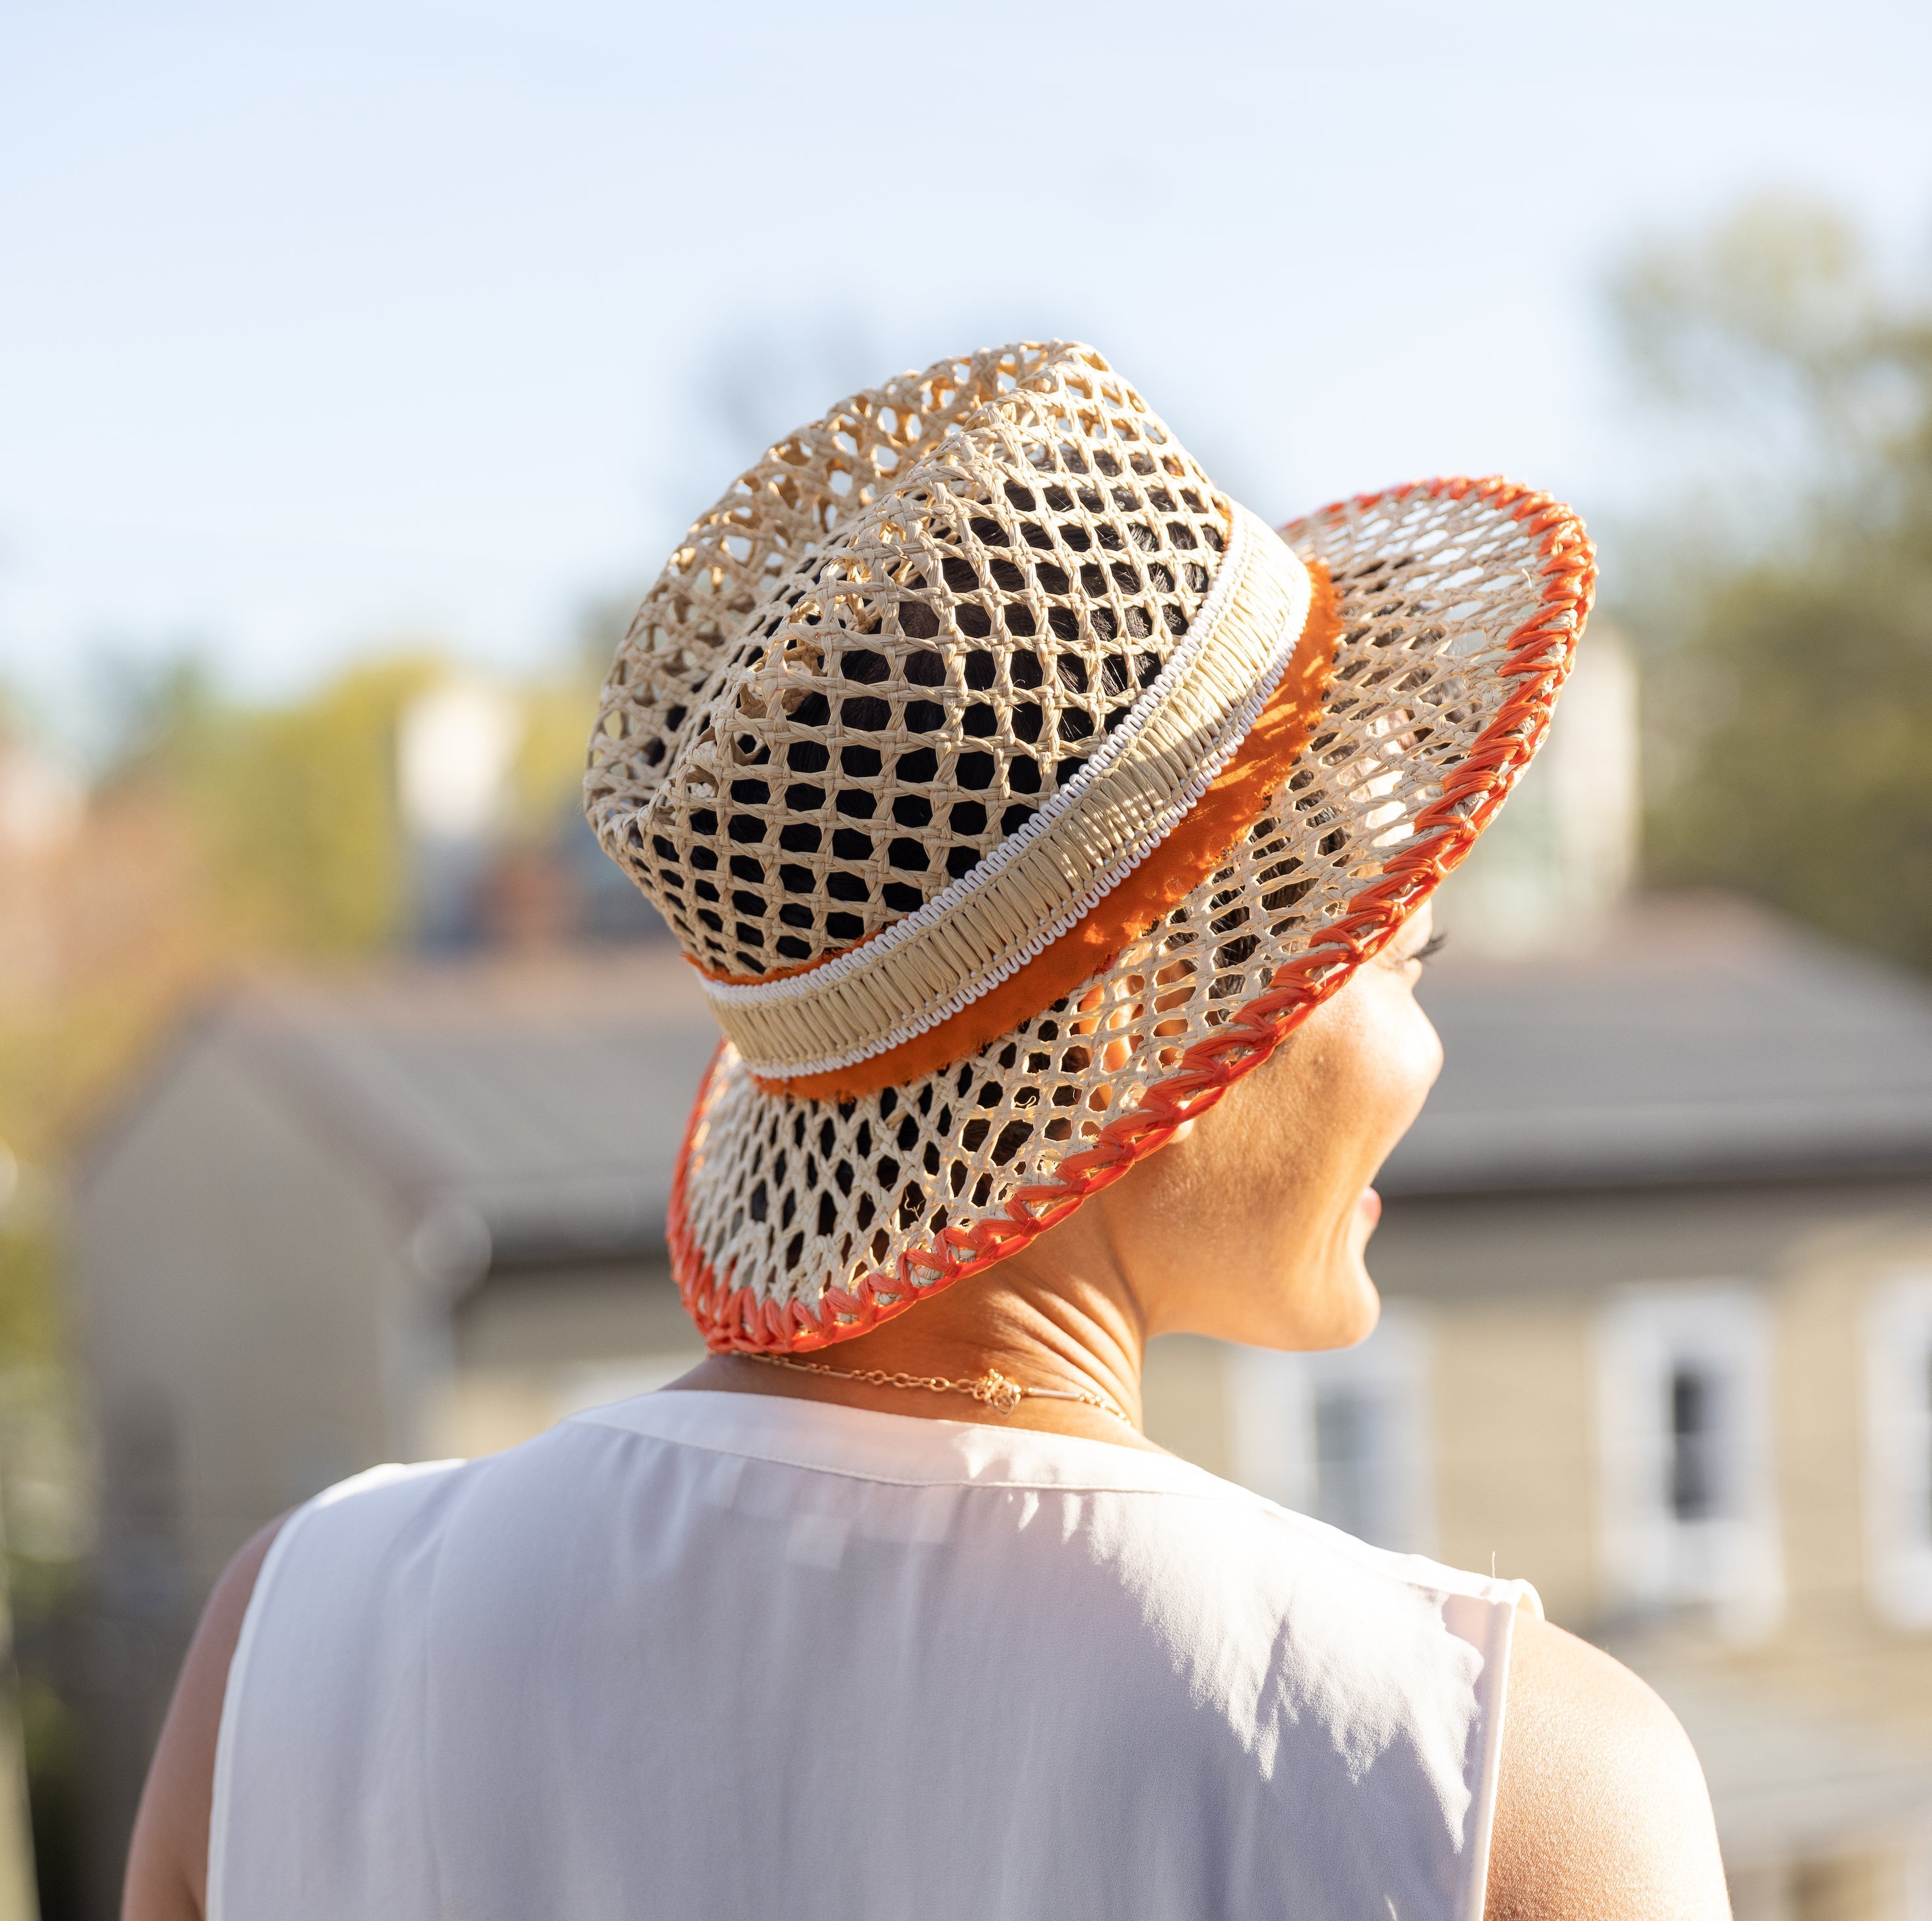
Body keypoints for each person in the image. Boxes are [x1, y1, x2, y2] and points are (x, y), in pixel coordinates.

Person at [126, 342, 1730, 1921]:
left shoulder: (284, 1650)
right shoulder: (1489, 1788)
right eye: (1396, 954)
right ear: (1145, 1010)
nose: (1428, 1048)